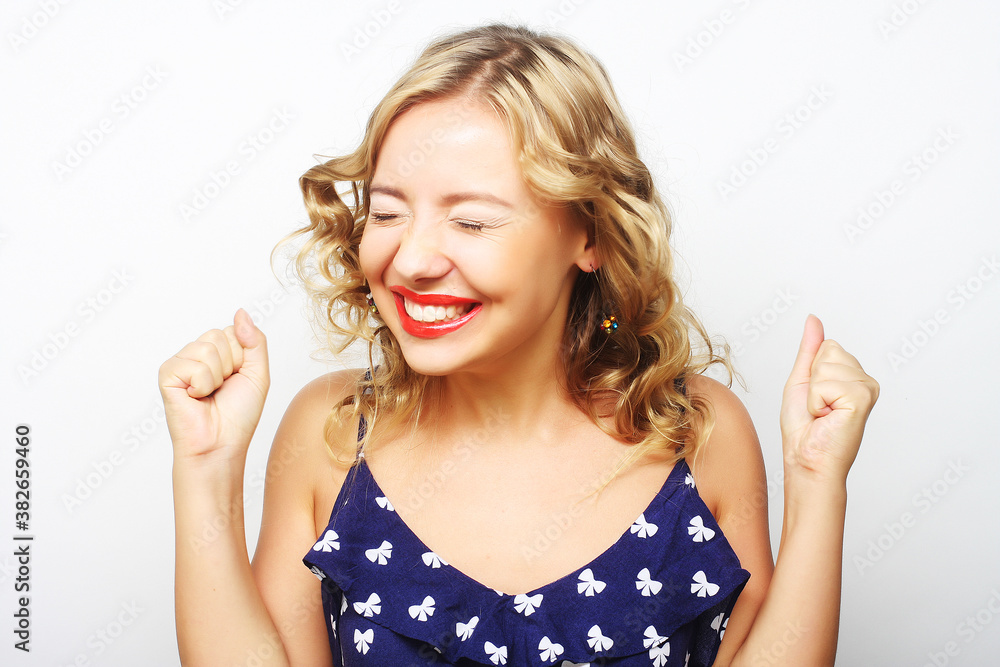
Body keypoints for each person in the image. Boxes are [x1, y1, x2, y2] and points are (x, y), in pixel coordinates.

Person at [159, 24, 878, 667]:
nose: (412, 260)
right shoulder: (333, 431)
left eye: (471, 222)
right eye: (387, 212)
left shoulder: (696, 432)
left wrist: (817, 483)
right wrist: (205, 470)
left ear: (590, 235)